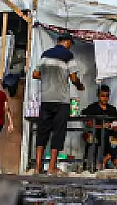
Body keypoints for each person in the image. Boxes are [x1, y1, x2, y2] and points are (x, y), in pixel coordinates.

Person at [32, 36, 83, 174]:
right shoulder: (68, 55)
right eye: (70, 44)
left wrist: (49, 77)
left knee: (42, 132)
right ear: (67, 42)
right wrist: (79, 85)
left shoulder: (45, 54)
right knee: (58, 133)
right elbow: (73, 78)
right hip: (61, 100)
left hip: (46, 99)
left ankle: (37, 167)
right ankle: (51, 167)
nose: (70, 47)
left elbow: (35, 74)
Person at [81, 85, 117, 169]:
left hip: (111, 130)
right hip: (98, 130)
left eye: (107, 96)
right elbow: (88, 122)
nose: (105, 98)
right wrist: (101, 126)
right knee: (104, 134)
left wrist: (112, 126)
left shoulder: (112, 109)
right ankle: (113, 158)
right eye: (103, 96)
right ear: (98, 96)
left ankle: (108, 156)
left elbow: (116, 125)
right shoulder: (92, 107)